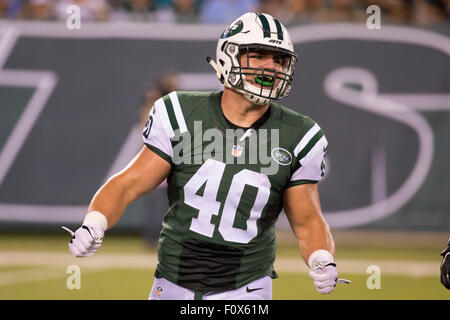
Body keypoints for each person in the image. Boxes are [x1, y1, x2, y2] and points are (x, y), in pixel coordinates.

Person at [65, 12, 346, 300]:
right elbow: (128, 184)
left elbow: (308, 221)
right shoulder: (181, 112)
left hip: (246, 288)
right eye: (260, 54)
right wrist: (94, 223)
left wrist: (321, 257)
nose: (271, 66)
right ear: (229, 56)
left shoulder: (299, 133)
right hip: (172, 282)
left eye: (279, 59)